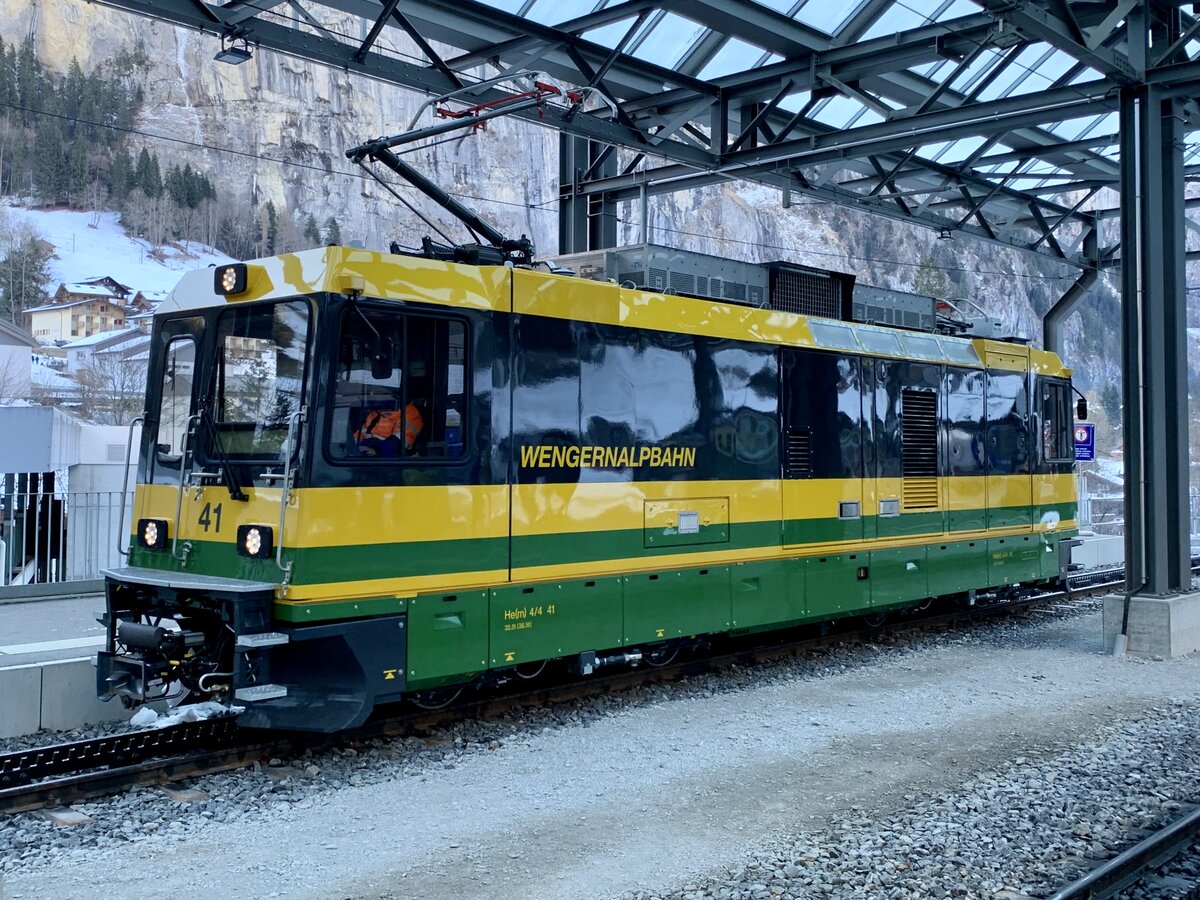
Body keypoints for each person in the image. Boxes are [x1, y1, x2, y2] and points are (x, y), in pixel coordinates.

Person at [355, 402, 423, 456]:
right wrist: (358, 449)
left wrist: (376, 450)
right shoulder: (374, 415)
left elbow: (397, 443)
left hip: (392, 462)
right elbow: (356, 439)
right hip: (364, 459)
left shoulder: (410, 412)